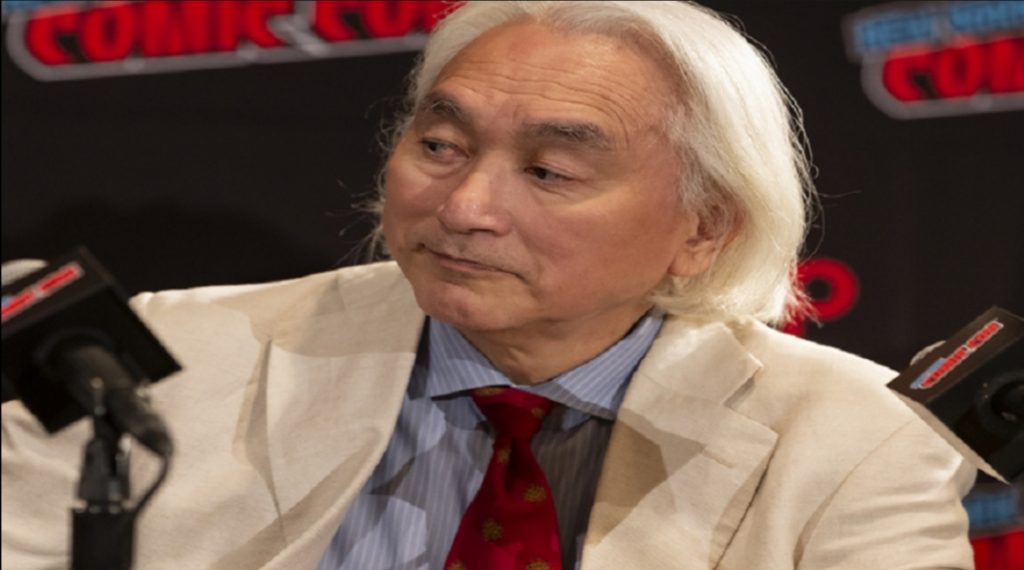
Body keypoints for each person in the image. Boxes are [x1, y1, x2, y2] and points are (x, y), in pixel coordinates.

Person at [2, 1, 976, 569]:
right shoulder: (155, 362)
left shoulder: (857, 438)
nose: (464, 205)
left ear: (702, 228)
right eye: (440, 145)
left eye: (549, 171)